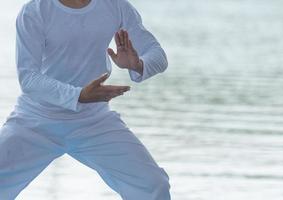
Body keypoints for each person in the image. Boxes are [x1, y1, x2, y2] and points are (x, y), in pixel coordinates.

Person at [0, 0, 171, 199]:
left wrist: (138, 64)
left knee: (153, 185)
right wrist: (78, 95)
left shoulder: (116, 6)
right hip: (36, 120)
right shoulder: (35, 10)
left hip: (94, 122)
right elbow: (28, 78)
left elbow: (158, 56)